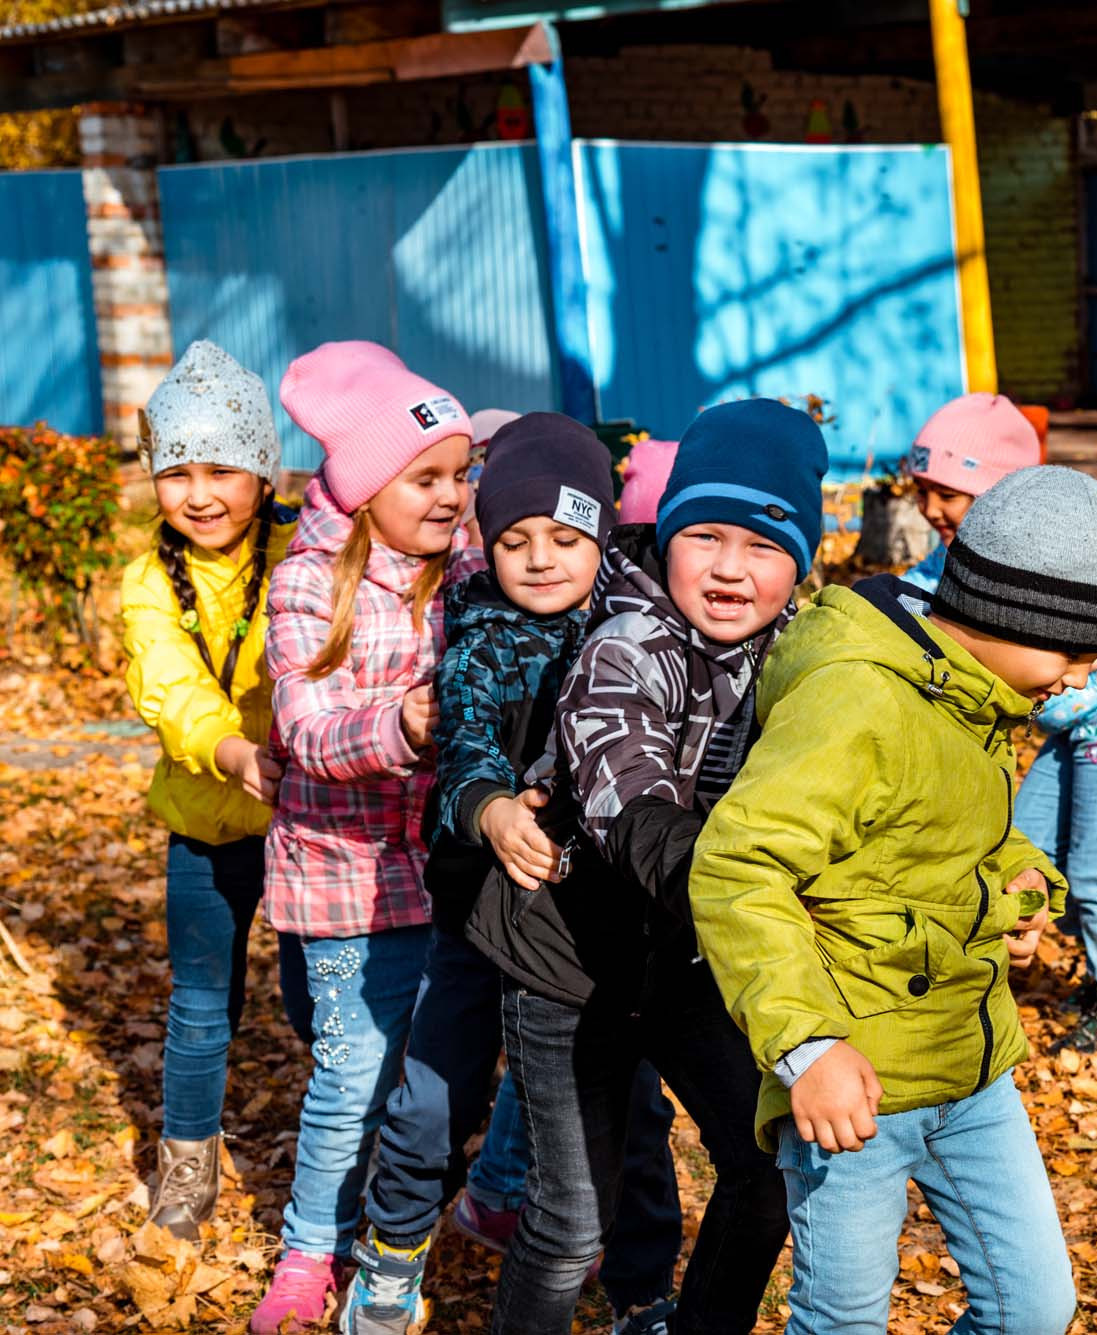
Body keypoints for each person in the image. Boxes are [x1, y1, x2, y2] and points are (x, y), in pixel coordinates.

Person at [691, 465, 1097, 1335]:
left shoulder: (976, 697)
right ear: (1009, 613)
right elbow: (738, 865)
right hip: (853, 1083)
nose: (1081, 680)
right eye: (1075, 654)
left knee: (1033, 1309)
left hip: (969, 1066)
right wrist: (805, 1045)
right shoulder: (858, 696)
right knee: (842, 1320)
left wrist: (1022, 883)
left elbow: (955, 825)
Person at [340, 415, 683, 1335]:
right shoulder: (482, 635)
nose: (538, 559)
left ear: (601, 536)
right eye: (514, 540)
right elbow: (464, 747)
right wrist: (490, 806)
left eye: (565, 539)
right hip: (477, 909)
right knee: (434, 1089)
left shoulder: (635, 630)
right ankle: (392, 1247)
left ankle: (643, 1290)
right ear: (485, 546)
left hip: (589, 926)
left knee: (633, 1116)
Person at [491, 400, 812, 1335]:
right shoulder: (625, 646)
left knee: (764, 1164)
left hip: (684, 958)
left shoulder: (799, 653)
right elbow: (635, 807)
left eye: (761, 545)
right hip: (570, 962)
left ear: (800, 562)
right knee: (569, 1221)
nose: (726, 567)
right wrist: (746, 903)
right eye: (703, 535)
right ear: (665, 536)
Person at [248, 342, 479, 1333]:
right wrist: (402, 728)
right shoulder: (308, 584)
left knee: (419, 1073)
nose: (450, 495)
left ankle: (436, 1203)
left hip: (445, 878)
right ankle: (310, 1254)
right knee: (348, 1078)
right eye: (424, 477)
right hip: (340, 885)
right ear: (366, 485)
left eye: (460, 474)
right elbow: (300, 726)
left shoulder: (467, 573)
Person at [904, 392, 1097, 1050]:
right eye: (922, 490)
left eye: (948, 492)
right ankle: (985, 971)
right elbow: (920, 597)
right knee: (1022, 846)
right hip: (1078, 724)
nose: (930, 508)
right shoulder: (951, 566)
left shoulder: (1045, 558)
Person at [120, 341, 310, 1241]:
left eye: (223, 469)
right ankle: (186, 1167)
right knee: (201, 1004)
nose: (199, 492)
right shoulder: (150, 579)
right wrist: (229, 750)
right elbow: (167, 683)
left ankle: (360, 1143)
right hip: (207, 820)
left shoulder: (307, 549)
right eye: (177, 470)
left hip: (316, 821)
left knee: (324, 999)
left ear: (263, 470)